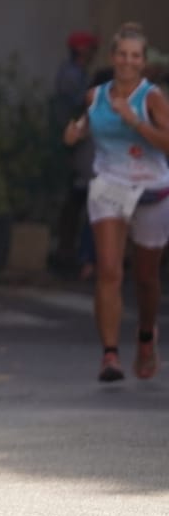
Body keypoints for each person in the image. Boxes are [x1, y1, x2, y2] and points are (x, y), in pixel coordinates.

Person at [62, 23, 169, 384]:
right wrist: (75, 131)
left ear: (143, 62)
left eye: (134, 56)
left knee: (145, 277)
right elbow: (81, 126)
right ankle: (110, 355)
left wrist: (134, 120)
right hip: (109, 183)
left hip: (151, 188)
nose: (127, 61)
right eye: (122, 54)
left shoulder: (152, 97)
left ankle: (145, 334)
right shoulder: (96, 96)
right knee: (109, 270)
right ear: (113, 57)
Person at [53, 31, 100, 279]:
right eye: (90, 48)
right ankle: (66, 251)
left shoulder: (76, 73)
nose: (94, 53)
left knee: (77, 199)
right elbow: (78, 106)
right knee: (74, 200)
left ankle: (69, 251)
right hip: (73, 144)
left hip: (77, 143)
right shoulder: (72, 76)